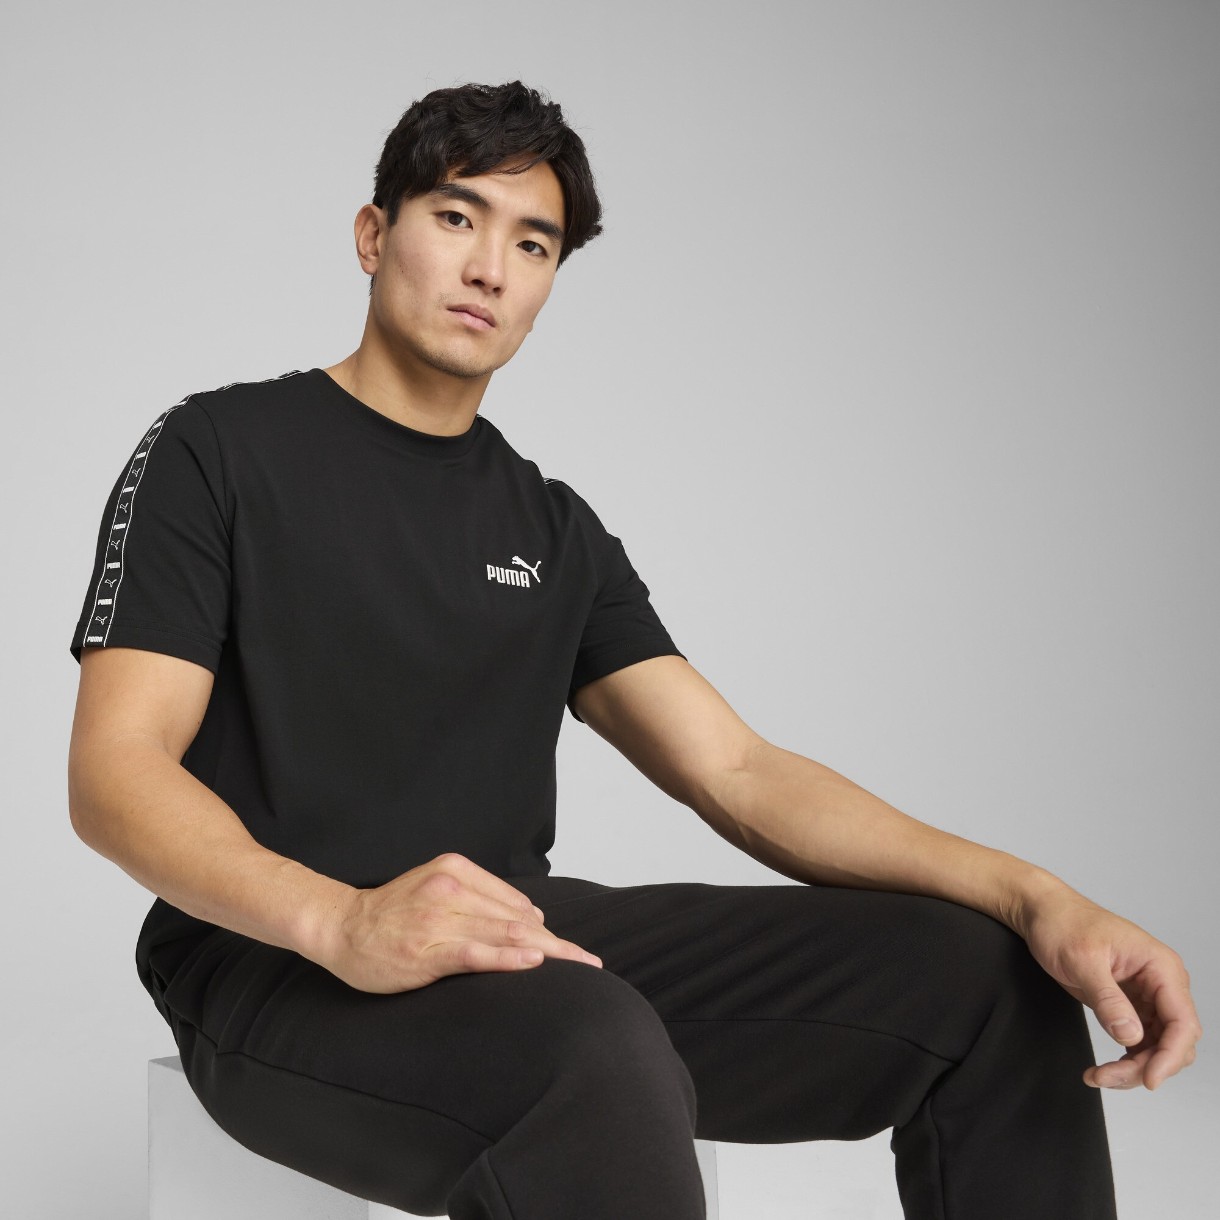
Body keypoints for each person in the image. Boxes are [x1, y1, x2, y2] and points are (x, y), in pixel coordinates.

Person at [66, 80, 1200, 1220]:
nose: (489, 268)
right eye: (455, 217)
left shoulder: (551, 528)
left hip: (509, 939)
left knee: (988, 980)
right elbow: (117, 772)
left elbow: (739, 772)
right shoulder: (218, 451)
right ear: (373, 235)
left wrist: (1036, 897)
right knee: (589, 1041)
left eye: (532, 243)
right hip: (273, 962)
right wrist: (341, 921)